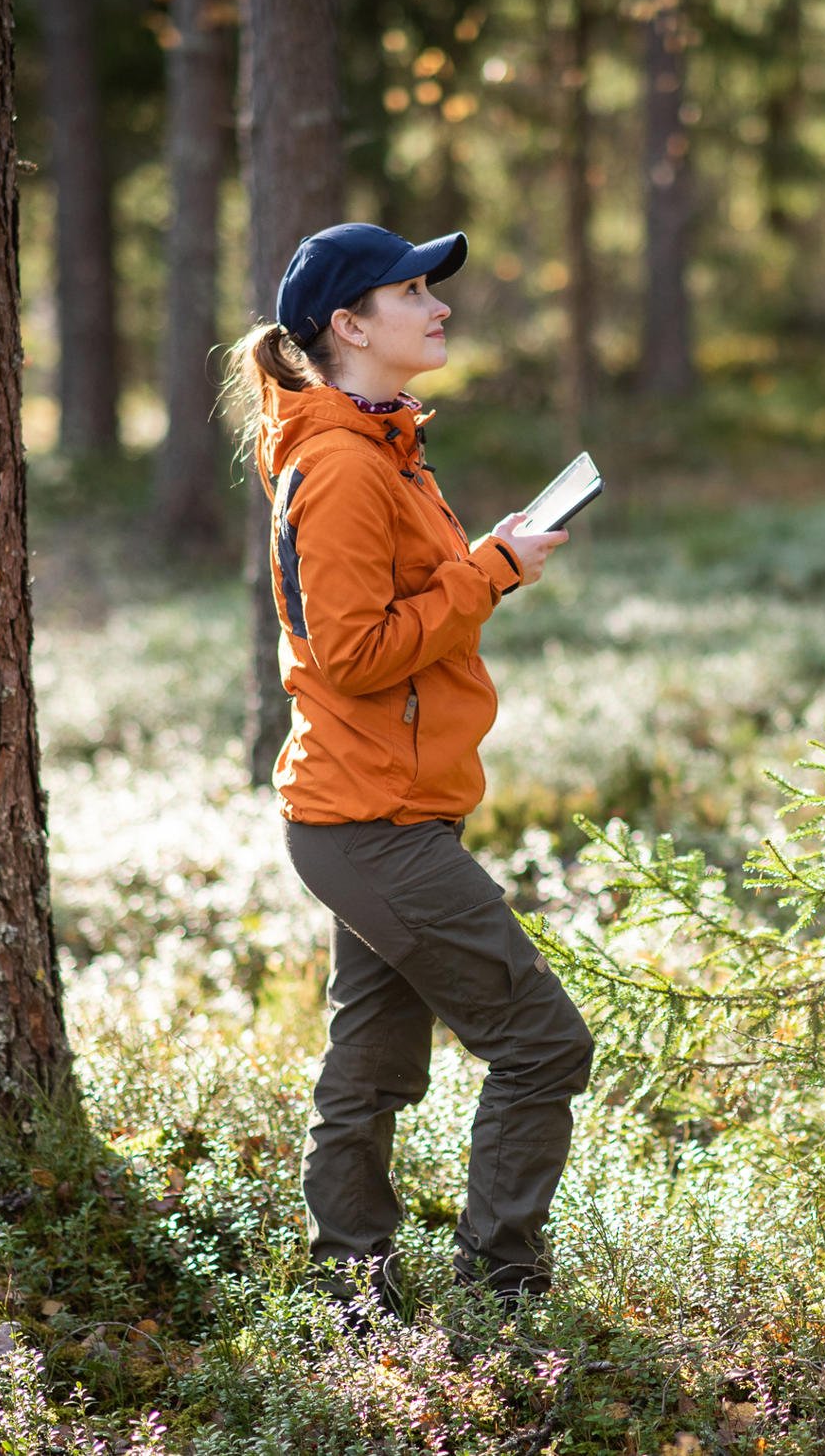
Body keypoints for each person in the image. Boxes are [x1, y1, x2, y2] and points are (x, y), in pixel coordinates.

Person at [227, 222, 595, 1316]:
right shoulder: (342, 462)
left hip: (383, 810)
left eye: (432, 288)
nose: (436, 306)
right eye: (411, 291)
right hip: (370, 818)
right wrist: (490, 570)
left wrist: (490, 557)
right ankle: (499, 1289)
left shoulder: (374, 442)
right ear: (348, 325)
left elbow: (391, 610)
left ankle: (349, 1292)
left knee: (373, 1061)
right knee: (541, 1043)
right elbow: (351, 653)